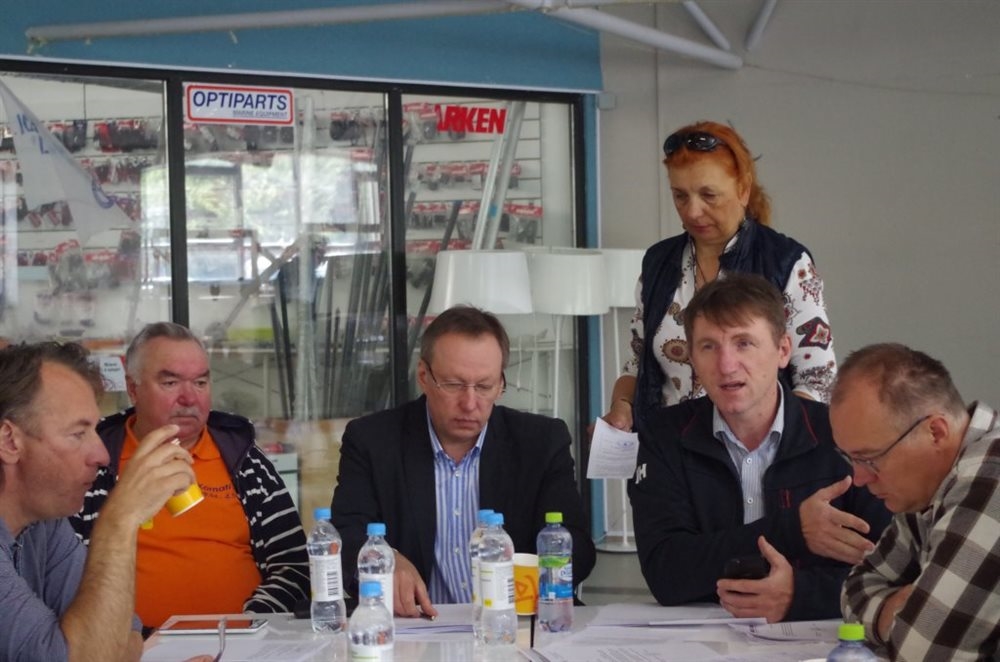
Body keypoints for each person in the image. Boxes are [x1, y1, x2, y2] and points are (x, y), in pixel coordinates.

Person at [629, 274, 889, 622]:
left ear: (783, 351)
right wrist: (793, 530)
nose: (726, 365)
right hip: (701, 635)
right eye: (709, 347)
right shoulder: (664, 435)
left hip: (821, 637)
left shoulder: (842, 434)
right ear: (692, 358)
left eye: (744, 343)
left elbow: (892, 574)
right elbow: (666, 572)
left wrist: (799, 595)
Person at [330, 305, 596, 617]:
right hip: (415, 625)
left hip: (515, 622)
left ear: (500, 384)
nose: (470, 403)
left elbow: (577, 545)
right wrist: (382, 559)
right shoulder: (373, 440)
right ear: (424, 377)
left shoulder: (540, 442)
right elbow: (346, 534)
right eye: (454, 385)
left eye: (484, 386)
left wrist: (538, 573)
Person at [71, 322, 309, 629]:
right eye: (170, 383)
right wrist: (131, 638)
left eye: (200, 382)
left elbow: (294, 564)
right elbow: (61, 575)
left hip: (242, 644)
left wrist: (253, 623)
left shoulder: (244, 460)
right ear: (133, 389)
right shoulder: (95, 462)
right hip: (132, 647)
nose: (189, 398)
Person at [604, 120, 837, 432]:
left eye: (709, 195)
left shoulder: (786, 262)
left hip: (755, 449)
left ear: (743, 189)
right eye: (680, 196)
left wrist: (780, 446)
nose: (692, 211)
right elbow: (636, 362)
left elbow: (817, 378)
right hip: (668, 448)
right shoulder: (658, 261)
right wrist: (622, 407)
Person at [0, 341, 201, 660]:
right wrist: (119, 520)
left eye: (95, 430)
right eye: (78, 434)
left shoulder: (44, 523)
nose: (102, 455)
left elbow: (124, 635)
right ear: (10, 441)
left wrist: (101, 644)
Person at [832, 344, 1000, 660]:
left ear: (935, 432)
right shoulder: (928, 486)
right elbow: (856, 586)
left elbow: (922, 650)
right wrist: (890, 614)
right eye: (850, 458)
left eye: (869, 458)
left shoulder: (992, 476)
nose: (859, 478)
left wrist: (897, 620)